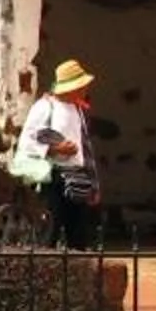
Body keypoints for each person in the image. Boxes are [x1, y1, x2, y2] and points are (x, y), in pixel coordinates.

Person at [19, 59, 103, 249]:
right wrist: (56, 149)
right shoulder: (45, 107)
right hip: (53, 177)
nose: (85, 90)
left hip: (77, 177)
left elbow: (86, 147)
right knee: (50, 230)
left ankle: (77, 273)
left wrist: (93, 183)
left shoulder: (78, 109)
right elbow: (28, 141)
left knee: (79, 233)